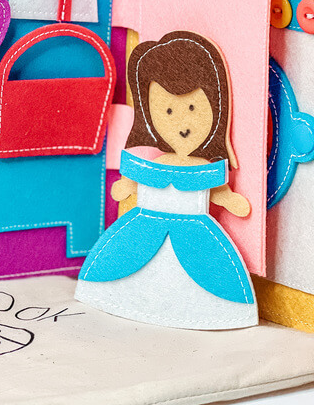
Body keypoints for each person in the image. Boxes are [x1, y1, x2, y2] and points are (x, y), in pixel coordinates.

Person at [76, 30, 258, 330]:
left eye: (192, 108)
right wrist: (126, 185)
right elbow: (131, 183)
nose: (181, 122)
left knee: (202, 272)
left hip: (194, 234)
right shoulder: (154, 163)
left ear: (215, 107)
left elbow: (219, 192)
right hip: (144, 228)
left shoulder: (204, 169)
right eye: (168, 110)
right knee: (130, 263)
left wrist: (229, 199)